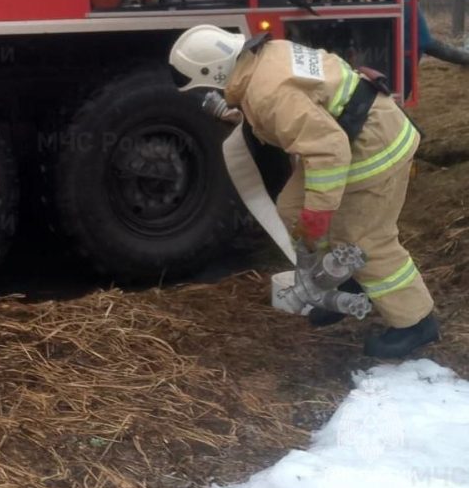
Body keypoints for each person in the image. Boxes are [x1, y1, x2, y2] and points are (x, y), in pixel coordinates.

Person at [169, 25, 439, 359]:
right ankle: (343, 282)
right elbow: (300, 112)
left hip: (374, 145)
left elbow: (329, 149)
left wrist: (319, 214)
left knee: (364, 239)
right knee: (292, 208)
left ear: (216, 71)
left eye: (205, 85)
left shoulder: (268, 93)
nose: (208, 93)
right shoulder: (261, 61)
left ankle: (415, 321)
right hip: (348, 135)